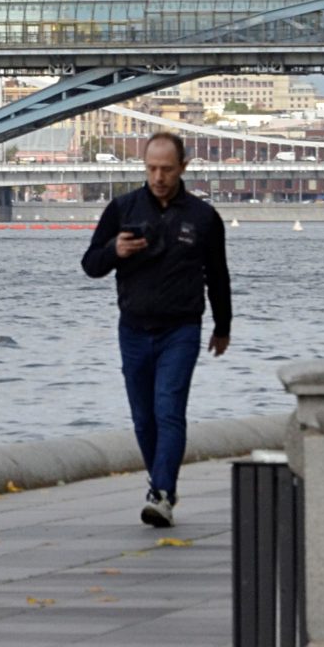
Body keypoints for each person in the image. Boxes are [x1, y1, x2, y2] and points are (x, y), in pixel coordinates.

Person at [81, 131, 233, 527]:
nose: (159, 176)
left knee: (169, 409)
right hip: (132, 328)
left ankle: (162, 493)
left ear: (183, 167)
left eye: (167, 169)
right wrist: (115, 250)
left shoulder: (203, 218)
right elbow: (90, 264)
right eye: (151, 168)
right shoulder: (123, 209)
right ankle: (160, 483)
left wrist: (223, 326)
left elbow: (218, 275)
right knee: (143, 419)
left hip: (180, 328)